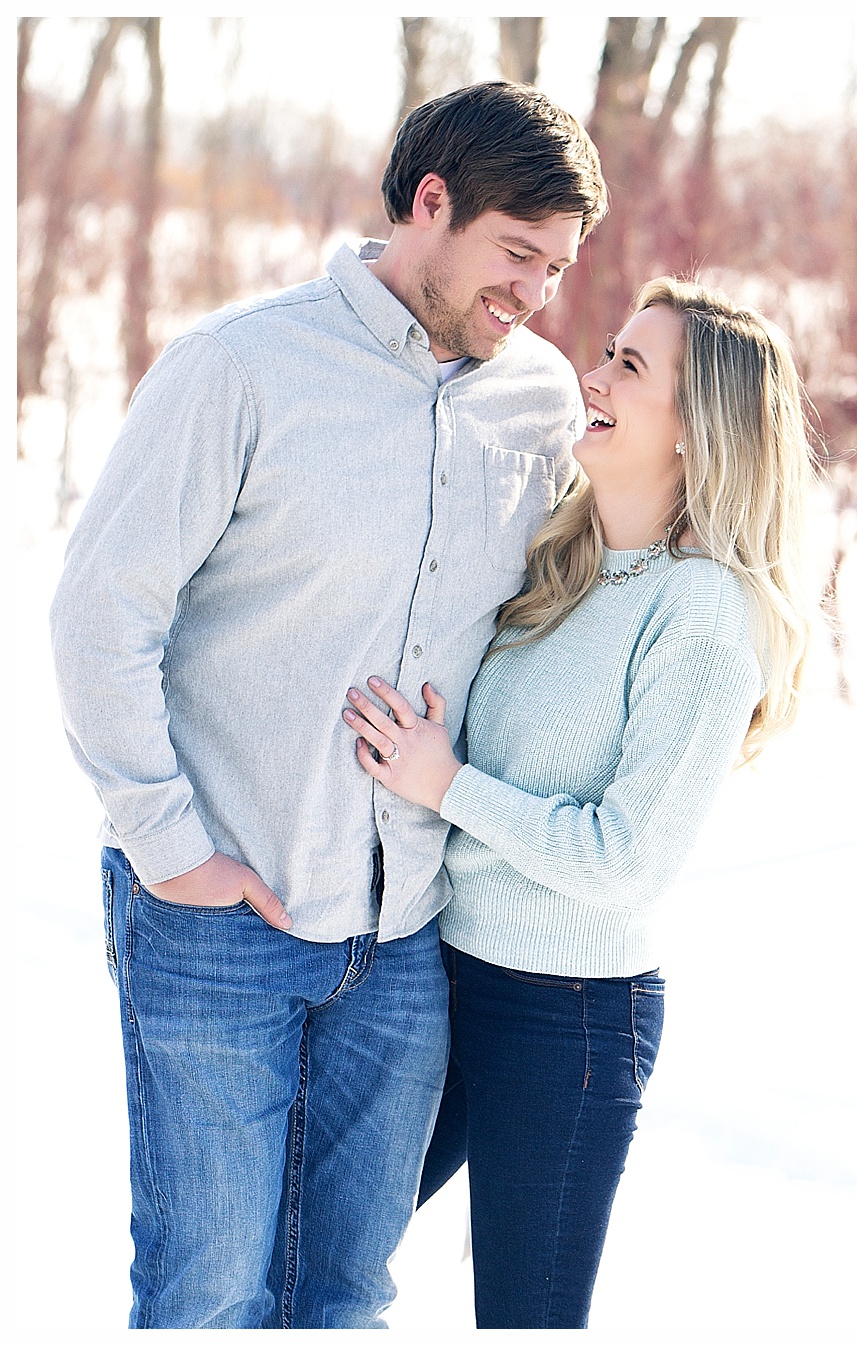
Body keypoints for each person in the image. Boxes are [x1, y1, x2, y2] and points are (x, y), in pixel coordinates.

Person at [48, 82, 603, 1328]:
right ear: (429, 202)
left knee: (348, 1295)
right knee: (206, 1290)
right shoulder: (239, 368)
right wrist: (169, 844)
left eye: (558, 269)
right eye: (517, 254)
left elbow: (551, 612)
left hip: (403, 937)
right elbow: (100, 614)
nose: (534, 293)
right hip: (218, 914)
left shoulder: (544, 398)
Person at [338, 277, 813, 1329]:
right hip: (443, 970)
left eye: (629, 368)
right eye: (608, 352)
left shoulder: (702, 614)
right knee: (322, 1237)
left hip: (566, 1015)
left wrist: (444, 782)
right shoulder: (568, 559)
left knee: (526, 1316)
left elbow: (627, 859)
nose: (590, 377)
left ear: (698, 431)